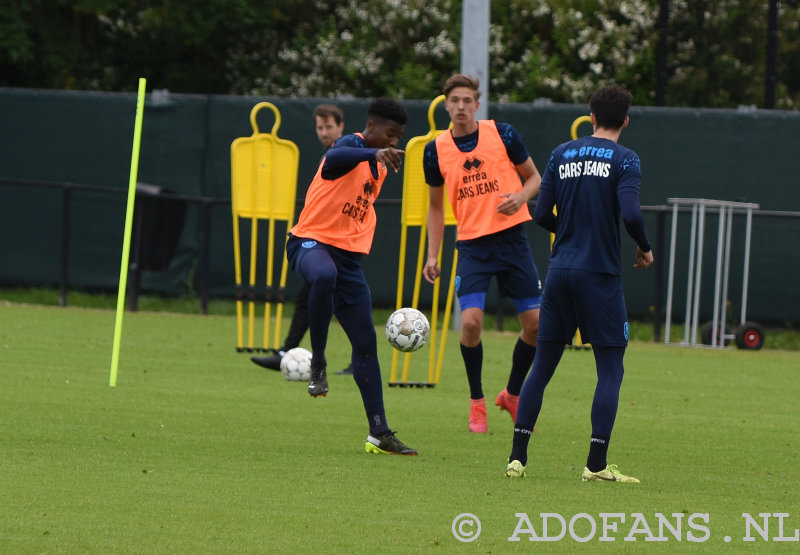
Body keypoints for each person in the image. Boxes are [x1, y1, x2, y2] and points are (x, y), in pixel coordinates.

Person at [505, 85, 654, 482]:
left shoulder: (561, 153)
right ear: (625, 120)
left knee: (543, 364)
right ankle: (596, 465)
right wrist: (644, 248)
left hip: (559, 272)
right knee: (610, 369)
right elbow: (632, 215)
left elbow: (539, 215)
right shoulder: (626, 159)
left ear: (590, 117)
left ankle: (517, 458)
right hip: (599, 275)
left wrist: (566, 230)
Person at [285, 97, 418, 455]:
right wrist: (371, 153)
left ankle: (380, 432)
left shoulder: (383, 166)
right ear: (371, 128)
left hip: (346, 259)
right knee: (323, 275)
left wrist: (378, 158)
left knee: (365, 344)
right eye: (390, 134)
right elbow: (333, 159)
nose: (394, 142)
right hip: (309, 243)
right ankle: (319, 363)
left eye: (399, 136)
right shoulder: (352, 145)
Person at [422, 74, 544, 434]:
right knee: (472, 323)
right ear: (446, 105)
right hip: (473, 246)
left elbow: (535, 178)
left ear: (477, 104)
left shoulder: (503, 134)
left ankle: (511, 394)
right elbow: (433, 207)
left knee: (536, 326)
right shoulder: (436, 150)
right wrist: (433, 255)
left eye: (467, 100)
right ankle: (477, 403)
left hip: (512, 241)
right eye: (454, 101)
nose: (461, 107)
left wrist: (520, 197)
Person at [252, 104, 353, 376]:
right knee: (310, 296)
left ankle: (359, 356)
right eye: (319, 127)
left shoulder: (345, 155)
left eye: (329, 126)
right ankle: (286, 351)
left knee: (342, 299)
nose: (323, 132)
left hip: (339, 240)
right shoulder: (330, 155)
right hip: (322, 238)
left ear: (341, 126)